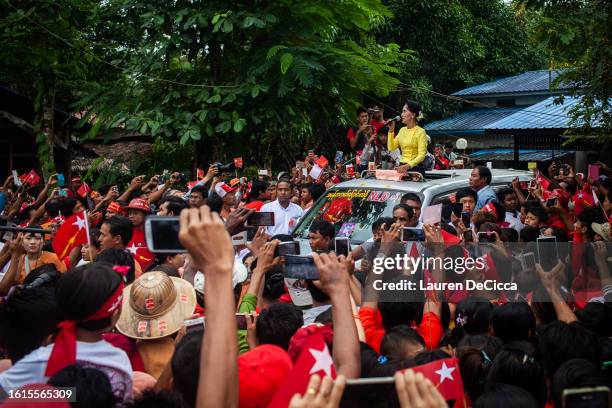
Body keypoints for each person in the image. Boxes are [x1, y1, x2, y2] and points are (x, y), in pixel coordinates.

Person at [0, 262, 133, 402]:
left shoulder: (42, 359)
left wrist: (53, 395)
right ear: (114, 317)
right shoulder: (119, 361)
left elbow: (3, 394)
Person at [0, 229, 66, 296]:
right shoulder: (18, 258)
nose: (32, 242)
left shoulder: (55, 258)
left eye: (37, 239)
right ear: (22, 242)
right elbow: (12, 283)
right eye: (28, 238)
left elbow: (63, 282)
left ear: (44, 242)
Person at [387, 100, 428, 174]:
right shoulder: (402, 130)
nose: (401, 114)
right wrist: (391, 131)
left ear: (413, 115)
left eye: (404, 111)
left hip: (415, 168)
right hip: (402, 166)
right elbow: (391, 148)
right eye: (402, 112)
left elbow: (422, 155)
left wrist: (408, 165)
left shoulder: (421, 132)